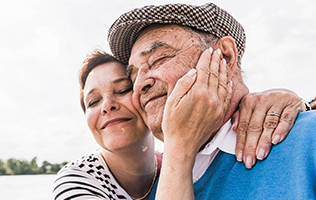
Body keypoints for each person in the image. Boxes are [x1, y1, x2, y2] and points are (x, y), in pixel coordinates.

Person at [107, 2, 316, 199]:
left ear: (225, 56)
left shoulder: (308, 138)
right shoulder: (148, 191)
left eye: (159, 59)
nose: (140, 85)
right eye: (132, 77)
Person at [52, 49, 305, 199]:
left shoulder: (180, 163)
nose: (107, 105)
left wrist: (288, 103)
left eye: (123, 90)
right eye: (93, 101)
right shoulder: (77, 180)